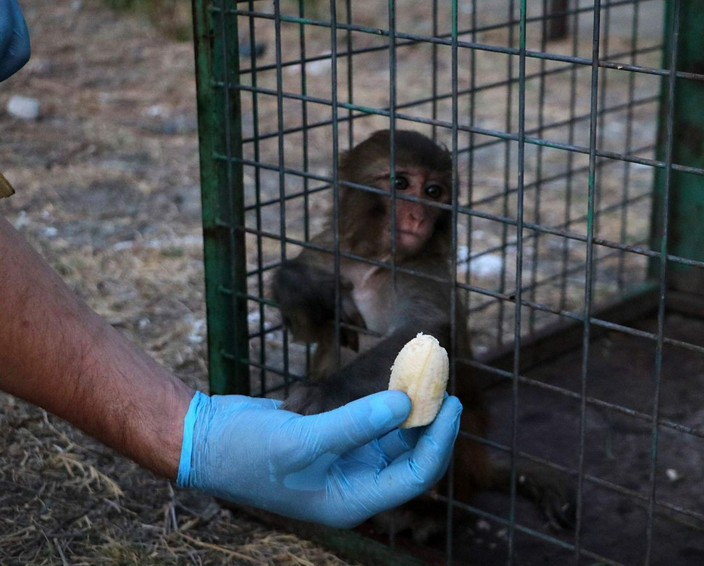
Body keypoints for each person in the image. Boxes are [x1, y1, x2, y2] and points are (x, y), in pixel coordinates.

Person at [0, 0, 461, 529]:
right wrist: (293, 286)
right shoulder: (329, 247)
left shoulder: (426, 274)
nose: (418, 211)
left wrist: (333, 392)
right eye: (398, 185)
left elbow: (427, 330)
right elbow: (307, 331)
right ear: (352, 184)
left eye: (433, 193)